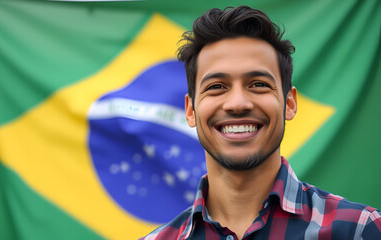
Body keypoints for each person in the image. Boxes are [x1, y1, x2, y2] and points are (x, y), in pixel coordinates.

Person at [140, 5, 381, 240]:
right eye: (216, 87)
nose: (237, 103)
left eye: (258, 84)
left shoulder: (361, 230)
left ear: (289, 103)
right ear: (190, 110)